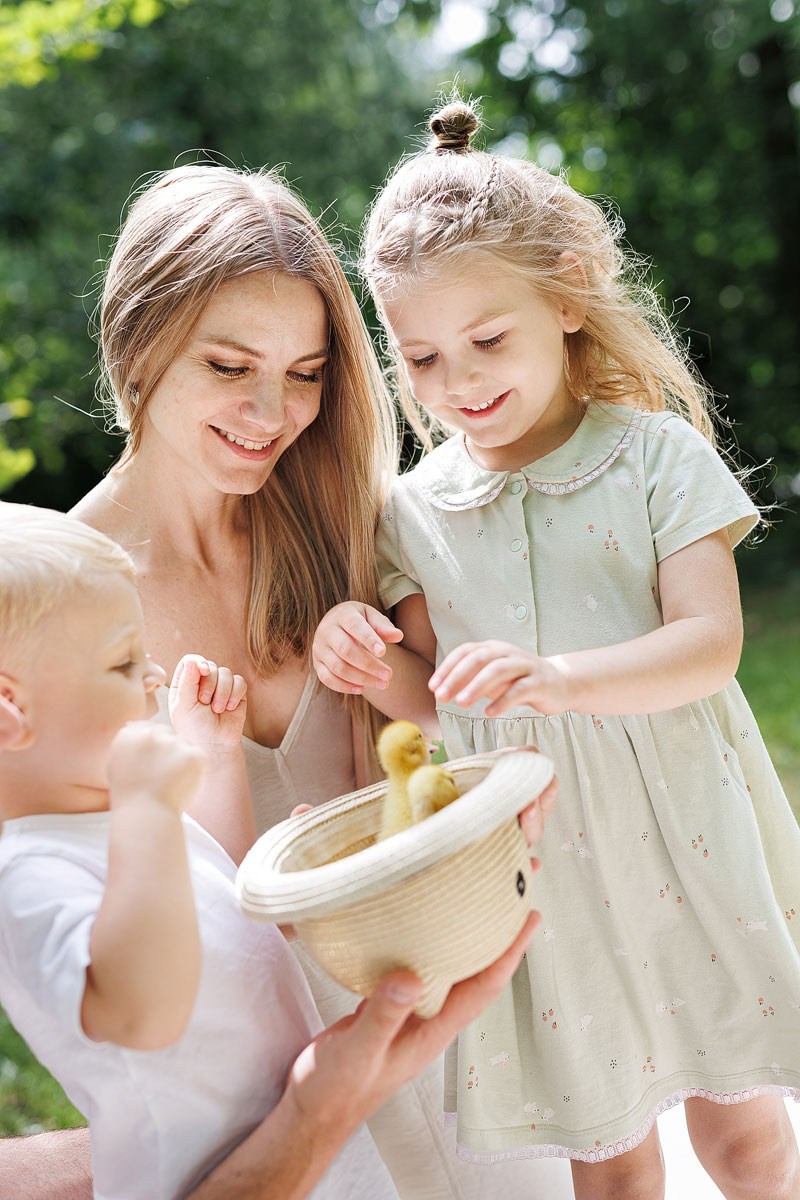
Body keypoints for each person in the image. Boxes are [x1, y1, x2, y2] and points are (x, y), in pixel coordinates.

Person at [1, 163, 569, 1198]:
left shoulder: (345, 528)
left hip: (436, 1021)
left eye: (305, 373)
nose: (273, 413)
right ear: (138, 346)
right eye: (230, 366)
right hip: (269, 1115)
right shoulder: (52, 613)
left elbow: (459, 727)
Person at [311, 97, 800, 1200]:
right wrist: (363, 658)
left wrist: (562, 679)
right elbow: (439, 703)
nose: (458, 381)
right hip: (543, 869)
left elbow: (710, 645)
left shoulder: (653, 456)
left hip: (686, 840)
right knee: (610, 1162)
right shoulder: (412, 512)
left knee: (743, 1141)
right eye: (422, 356)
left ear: (567, 296)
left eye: (487, 340)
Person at [0, 503, 547, 1200]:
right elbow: (141, 1013)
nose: (153, 674)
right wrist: (148, 814)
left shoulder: (111, 817)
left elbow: (231, 912)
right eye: (121, 662)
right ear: (10, 712)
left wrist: (215, 757)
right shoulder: (30, 870)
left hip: (310, 1160)